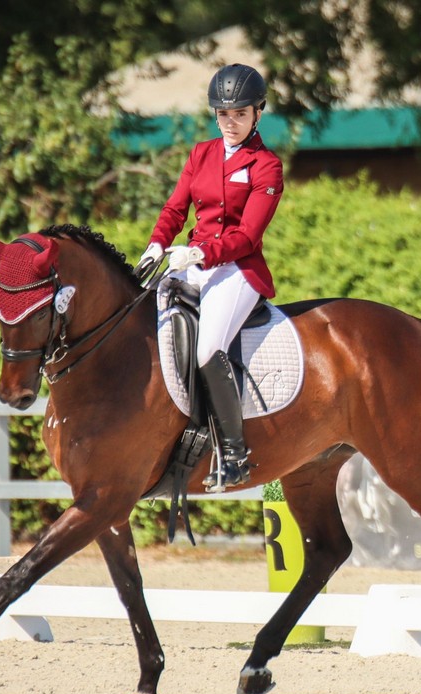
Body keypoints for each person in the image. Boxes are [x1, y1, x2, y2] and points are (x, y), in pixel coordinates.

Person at [138, 63, 284, 491]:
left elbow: (247, 236)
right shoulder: (200, 153)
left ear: (258, 113)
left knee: (208, 350)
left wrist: (199, 251)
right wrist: (155, 244)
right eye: (223, 114)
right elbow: (174, 210)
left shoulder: (267, 166)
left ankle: (235, 455)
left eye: (240, 113)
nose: (231, 122)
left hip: (236, 269)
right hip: (190, 262)